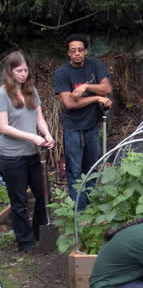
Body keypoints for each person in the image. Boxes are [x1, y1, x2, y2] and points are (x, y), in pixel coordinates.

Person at [0, 51, 55, 252]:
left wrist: (47, 134)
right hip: (11, 156)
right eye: (19, 70)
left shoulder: (31, 91)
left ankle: (40, 234)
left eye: (25, 70)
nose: (24, 74)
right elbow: (3, 127)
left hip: (32, 154)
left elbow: (39, 119)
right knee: (19, 201)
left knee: (43, 195)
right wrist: (32, 137)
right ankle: (26, 243)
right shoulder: (2, 94)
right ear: (10, 71)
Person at [53, 34, 112, 210]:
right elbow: (70, 103)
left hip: (92, 127)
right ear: (68, 53)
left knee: (92, 169)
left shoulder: (95, 65)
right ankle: (79, 212)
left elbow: (106, 88)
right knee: (74, 171)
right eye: (73, 51)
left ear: (85, 51)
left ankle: (92, 209)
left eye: (80, 50)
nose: (77, 53)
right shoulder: (62, 73)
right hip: (73, 129)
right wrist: (96, 99)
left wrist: (85, 87)